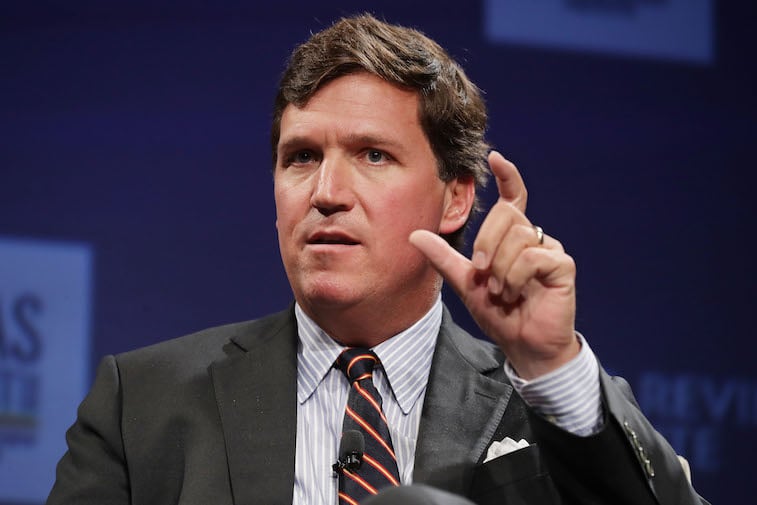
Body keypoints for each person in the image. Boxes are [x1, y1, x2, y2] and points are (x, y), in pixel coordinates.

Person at [47, 13, 708, 505]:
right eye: (301, 157)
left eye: (373, 155)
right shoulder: (142, 404)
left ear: (455, 198)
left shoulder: (547, 406)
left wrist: (550, 364)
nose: (326, 192)